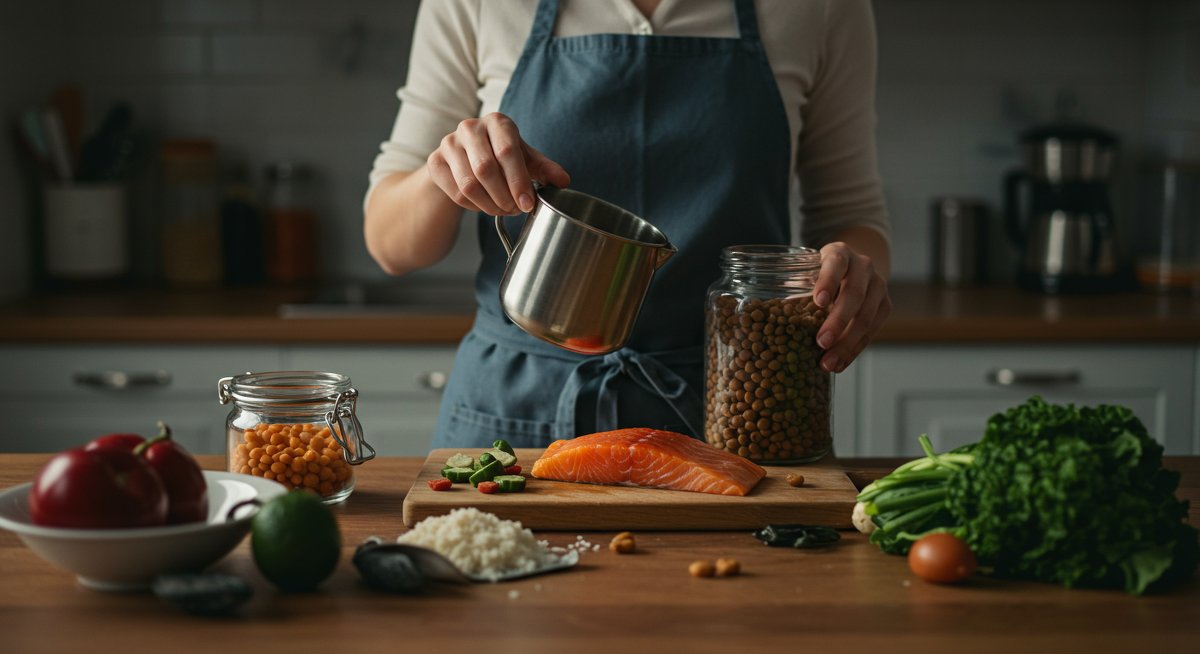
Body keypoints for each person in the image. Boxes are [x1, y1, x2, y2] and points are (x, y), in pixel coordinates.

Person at [364, 0, 892, 449]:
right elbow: (391, 243)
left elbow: (853, 216)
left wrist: (852, 273)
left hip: (740, 405)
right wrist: (450, 169)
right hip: (515, 409)